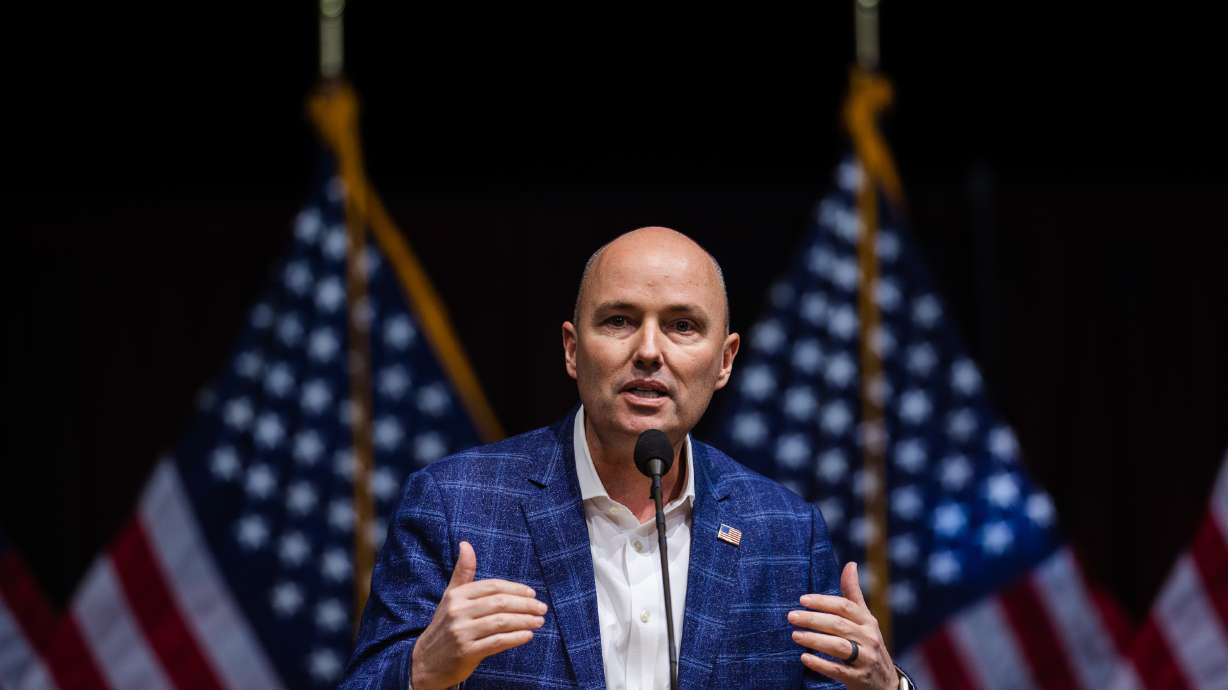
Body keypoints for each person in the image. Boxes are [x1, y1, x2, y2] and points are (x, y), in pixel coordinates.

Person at [341, 227, 910, 689]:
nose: (648, 351)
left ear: (724, 361)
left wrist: (888, 686)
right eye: (619, 321)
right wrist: (420, 672)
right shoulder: (456, 505)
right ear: (572, 349)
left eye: (682, 326)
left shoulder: (785, 530)